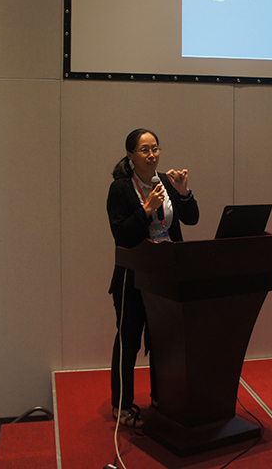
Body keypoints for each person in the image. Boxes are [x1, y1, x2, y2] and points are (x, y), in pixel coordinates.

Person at [106, 128, 199, 427]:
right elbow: (121, 234)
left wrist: (183, 192)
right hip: (132, 278)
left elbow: (192, 218)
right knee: (129, 341)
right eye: (144, 150)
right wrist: (147, 210)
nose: (152, 155)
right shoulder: (120, 189)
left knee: (163, 342)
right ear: (130, 155)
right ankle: (122, 406)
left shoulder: (166, 183)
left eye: (155, 148)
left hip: (166, 275)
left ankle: (162, 399)